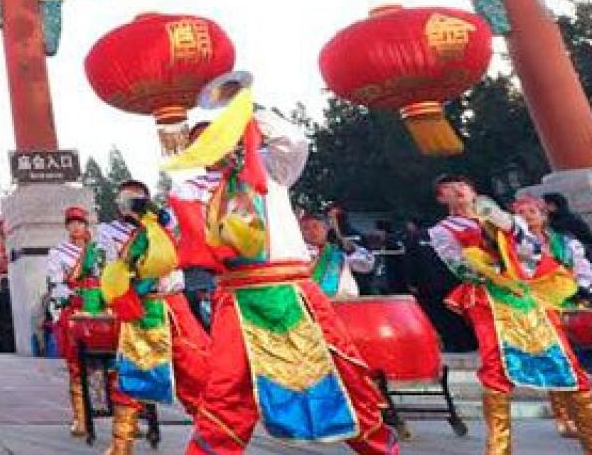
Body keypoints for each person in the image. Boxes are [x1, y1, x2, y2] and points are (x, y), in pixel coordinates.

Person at [165, 75, 395, 455]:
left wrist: (247, 109)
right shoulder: (192, 191)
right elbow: (191, 231)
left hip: (294, 292)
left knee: (344, 378)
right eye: (203, 140)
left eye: (221, 133)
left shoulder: (269, 171)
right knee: (226, 391)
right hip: (239, 299)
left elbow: (294, 141)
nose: (215, 143)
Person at [430, 175, 592, 453]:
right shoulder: (442, 230)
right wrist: (488, 264)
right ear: (441, 199)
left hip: (527, 297)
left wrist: (505, 232)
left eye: (463, 186)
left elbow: (532, 252)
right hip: (488, 300)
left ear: (473, 191)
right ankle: (499, 447)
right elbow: (459, 266)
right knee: (496, 366)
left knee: (565, 361)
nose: (458, 191)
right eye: (449, 189)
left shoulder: (504, 218)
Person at [97, 180, 209, 455]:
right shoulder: (110, 234)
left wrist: (156, 218)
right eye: (126, 199)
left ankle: (211, 440)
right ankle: (121, 445)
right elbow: (111, 271)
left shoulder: (165, 223)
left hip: (173, 306)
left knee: (197, 372)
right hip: (141, 311)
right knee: (132, 376)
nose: (131, 203)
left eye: (137, 198)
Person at [515, 193, 592, 438]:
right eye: (522, 214)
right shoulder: (516, 247)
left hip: (570, 304)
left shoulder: (564, 242)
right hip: (539, 307)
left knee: (578, 361)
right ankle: (563, 415)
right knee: (555, 360)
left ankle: (582, 413)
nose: (528, 218)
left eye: (532, 212)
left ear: (544, 215)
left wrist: (583, 287)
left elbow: (581, 267)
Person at [44, 205, 103, 437]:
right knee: (76, 364)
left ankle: (127, 415)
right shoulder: (59, 252)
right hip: (76, 309)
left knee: (113, 364)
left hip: (100, 307)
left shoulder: (98, 249)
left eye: (80, 222)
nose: (76, 226)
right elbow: (57, 282)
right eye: (72, 223)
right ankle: (80, 416)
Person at [300, 212, 376, 299]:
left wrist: (351, 250)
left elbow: (366, 266)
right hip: (308, 302)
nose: (312, 231)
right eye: (306, 228)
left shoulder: (340, 250)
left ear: (325, 228)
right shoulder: (297, 253)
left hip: (343, 301)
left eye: (315, 226)